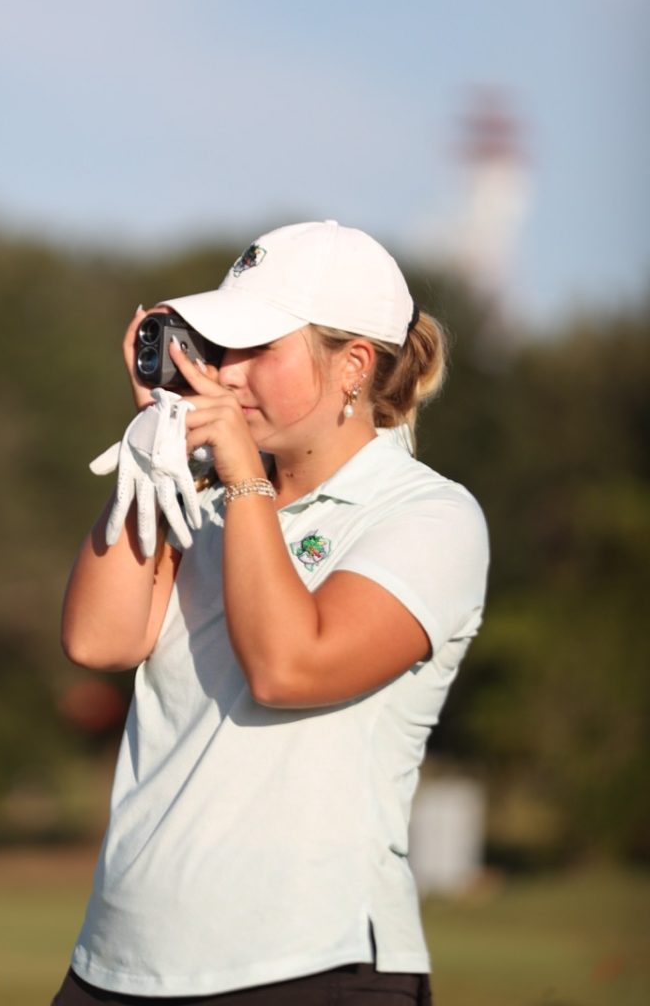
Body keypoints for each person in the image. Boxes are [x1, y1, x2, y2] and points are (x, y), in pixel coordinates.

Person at [53, 220, 489, 1006]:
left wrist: (244, 481)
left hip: (310, 964)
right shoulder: (201, 494)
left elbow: (289, 669)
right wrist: (158, 451)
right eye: (222, 348)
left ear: (354, 365)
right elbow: (98, 639)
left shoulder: (429, 514)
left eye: (258, 349)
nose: (227, 373)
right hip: (117, 963)